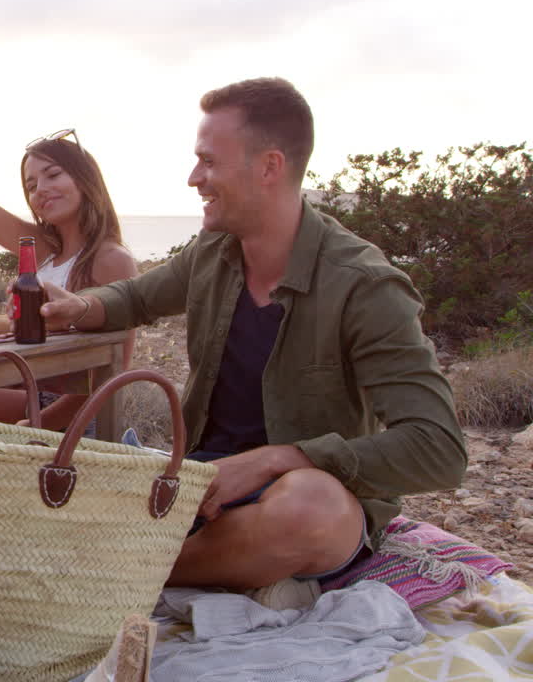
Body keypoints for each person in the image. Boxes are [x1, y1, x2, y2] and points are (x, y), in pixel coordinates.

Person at [35, 77, 467, 594]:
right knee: (45, 472)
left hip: (301, 500)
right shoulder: (214, 250)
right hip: (202, 482)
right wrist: (80, 306)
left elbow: (438, 447)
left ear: (269, 168)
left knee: (310, 507)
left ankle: (124, 573)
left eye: (209, 161)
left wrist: (278, 459)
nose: (194, 177)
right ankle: (183, 561)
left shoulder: (364, 286)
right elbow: (136, 298)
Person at [0, 69, 138, 431]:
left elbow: (114, 371)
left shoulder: (111, 259)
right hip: (30, 388)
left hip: (71, 413)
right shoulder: (42, 251)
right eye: (32, 184)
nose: (41, 190)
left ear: (85, 180)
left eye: (53, 175)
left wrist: (35, 426)